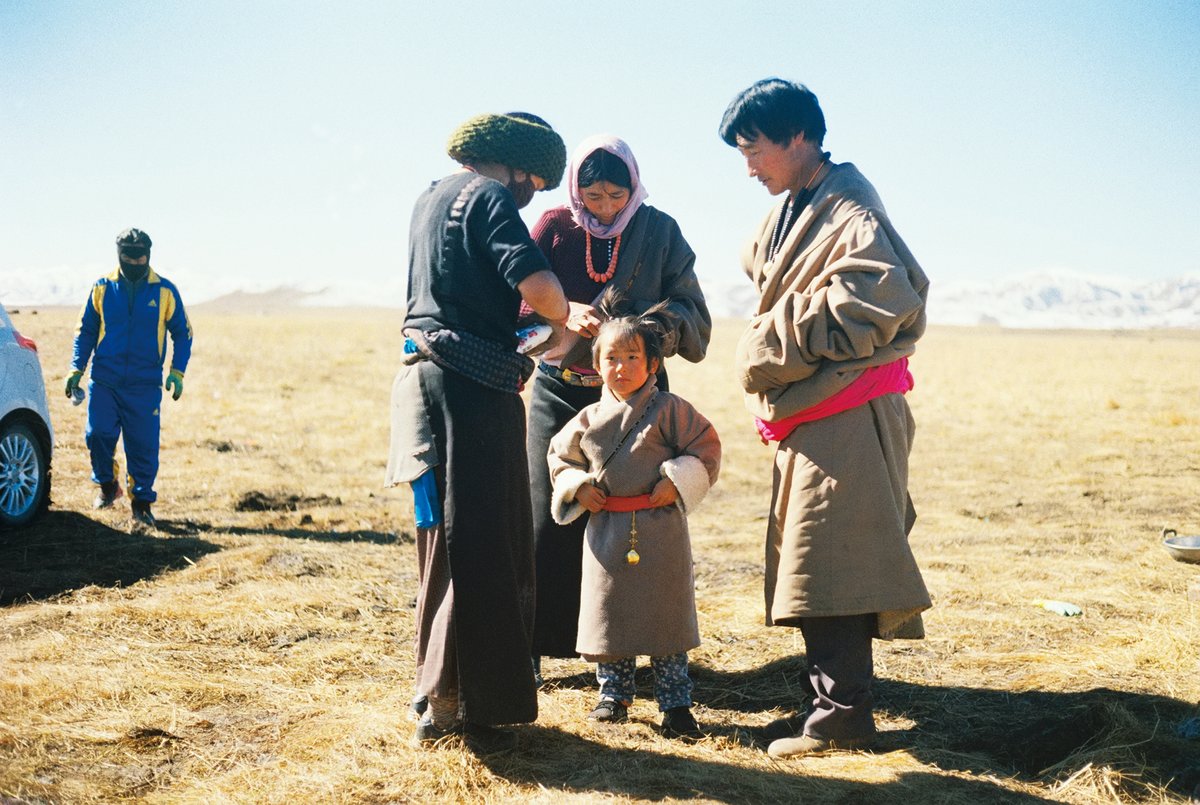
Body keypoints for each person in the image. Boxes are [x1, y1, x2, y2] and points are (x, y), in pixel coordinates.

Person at [717, 78, 932, 759]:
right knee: (816, 555)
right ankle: (831, 706)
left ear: (799, 137)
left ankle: (841, 714)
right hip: (820, 413)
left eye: (755, 148)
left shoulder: (848, 207)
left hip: (848, 413)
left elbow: (881, 296)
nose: (748, 166)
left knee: (831, 556)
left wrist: (772, 338)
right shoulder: (803, 203)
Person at [383, 112, 570, 753]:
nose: (533, 196)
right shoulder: (488, 196)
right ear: (516, 166)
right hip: (473, 389)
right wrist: (563, 313)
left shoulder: (429, 196)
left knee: (443, 540)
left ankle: (439, 688)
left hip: (424, 380)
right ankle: (459, 701)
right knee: (485, 544)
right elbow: (541, 291)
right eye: (536, 183)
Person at [526, 135, 711, 679]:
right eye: (594, 195)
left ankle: (633, 650)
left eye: (616, 195)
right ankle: (535, 650)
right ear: (576, 190)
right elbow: (518, 298)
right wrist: (567, 312)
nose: (605, 208)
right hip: (560, 389)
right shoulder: (554, 226)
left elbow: (691, 309)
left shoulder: (659, 231)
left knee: (637, 523)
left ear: (633, 185)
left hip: (638, 399)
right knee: (547, 520)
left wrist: (636, 330)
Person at [546, 294, 720, 740]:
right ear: (596, 364)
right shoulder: (586, 417)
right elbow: (560, 458)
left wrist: (678, 480)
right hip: (606, 530)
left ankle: (676, 704)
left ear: (654, 364)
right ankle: (613, 695)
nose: (621, 367)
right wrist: (578, 486)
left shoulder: (671, 410)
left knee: (666, 619)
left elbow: (705, 447)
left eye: (631, 357)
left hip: (660, 528)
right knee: (610, 615)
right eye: (610, 358)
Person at [65, 227, 193, 529]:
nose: (136, 262)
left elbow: (183, 334)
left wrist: (177, 371)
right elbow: (85, 331)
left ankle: (142, 504)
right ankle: (108, 486)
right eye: (129, 256)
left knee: (143, 446)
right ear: (119, 254)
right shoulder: (102, 288)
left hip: (144, 385)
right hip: (105, 381)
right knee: (98, 435)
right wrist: (75, 369)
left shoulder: (164, 291)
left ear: (149, 254)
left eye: (141, 257)